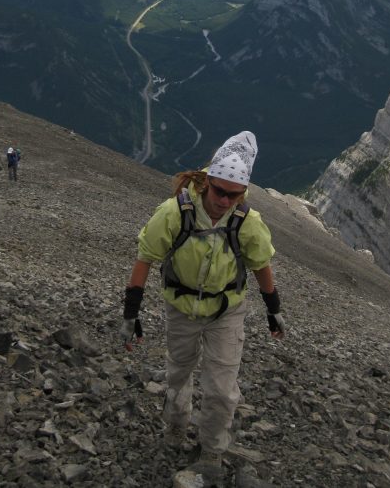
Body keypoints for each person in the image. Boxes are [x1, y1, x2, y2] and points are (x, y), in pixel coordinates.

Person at [120, 131, 285, 482]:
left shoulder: (247, 223)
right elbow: (145, 257)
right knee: (178, 373)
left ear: (243, 193)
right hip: (180, 308)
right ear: (207, 182)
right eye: (220, 192)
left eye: (234, 195)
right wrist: (130, 312)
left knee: (222, 387)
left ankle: (211, 451)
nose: (225, 201)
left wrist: (274, 309)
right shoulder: (174, 213)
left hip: (226, 311)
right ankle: (175, 431)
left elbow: (261, 267)